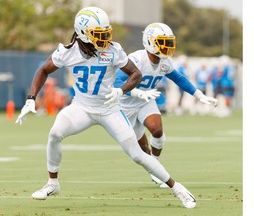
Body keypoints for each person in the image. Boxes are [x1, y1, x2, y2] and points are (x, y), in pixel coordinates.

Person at [16, 7, 196, 208]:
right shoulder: (67, 52)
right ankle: (52, 183)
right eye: (99, 35)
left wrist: (121, 90)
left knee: (137, 154)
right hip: (81, 108)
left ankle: (177, 188)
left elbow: (135, 74)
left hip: (110, 108)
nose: (105, 39)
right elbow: (43, 70)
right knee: (55, 133)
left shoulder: (112, 50)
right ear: (83, 33)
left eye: (105, 33)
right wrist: (31, 99)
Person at [114, 22, 218, 188]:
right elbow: (116, 81)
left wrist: (199, 95)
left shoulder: (164, 61)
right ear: (150, 41)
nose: (167, 46)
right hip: (125, 105)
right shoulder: (136, 59)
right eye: (162, 42)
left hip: (146, 101)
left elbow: (179, 78)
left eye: (168, 42)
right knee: (141, 148)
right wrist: (137, 92)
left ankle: (157, 167)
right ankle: (153, 169)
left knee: (157, 130)